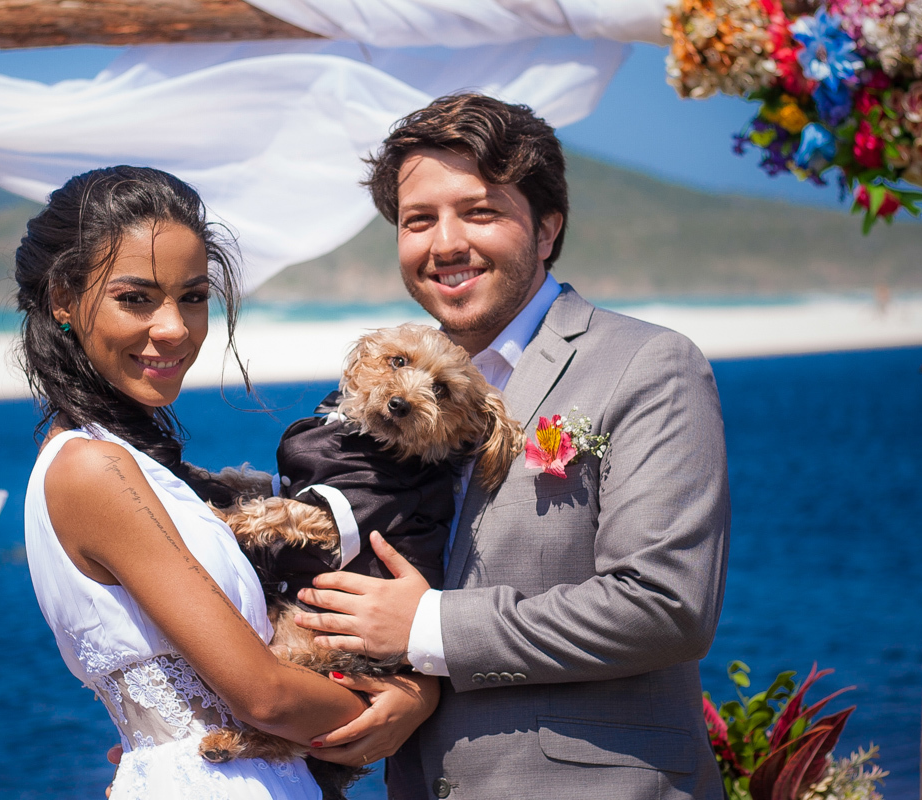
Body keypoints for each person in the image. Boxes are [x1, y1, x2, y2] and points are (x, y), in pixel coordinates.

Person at [296, 94, 731, 799]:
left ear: (548, 227)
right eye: (418, 221)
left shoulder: (649, 364)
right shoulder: (390, 389)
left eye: (480, 211)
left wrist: (427, 627)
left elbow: (664, 605)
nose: (444, 243)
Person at [16, 166, 438, 799]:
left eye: (192, 296)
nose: (175, 329)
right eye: (136, 298)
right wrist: (409, 703)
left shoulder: (132, 463)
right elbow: (264, 696)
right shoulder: (91, 467)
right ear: (62, 298)